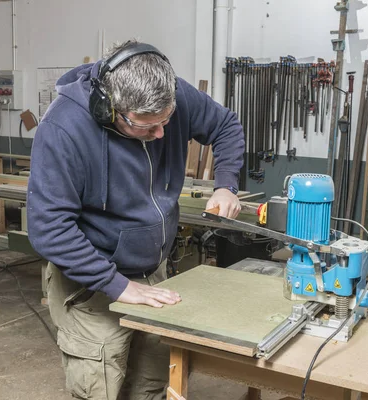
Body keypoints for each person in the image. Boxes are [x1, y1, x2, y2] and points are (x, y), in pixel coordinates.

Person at [27, 40, 244, 399]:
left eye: (166, 121)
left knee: (151, 382)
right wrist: (119, 285)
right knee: (101, 386)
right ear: (108, 108)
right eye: (146, 127)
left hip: (153, 272)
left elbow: (226, 126)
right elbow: (49, 229)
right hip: (90, 282)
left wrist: (226, 186)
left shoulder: (173, 96)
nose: (160, 135)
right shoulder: (63, 129)